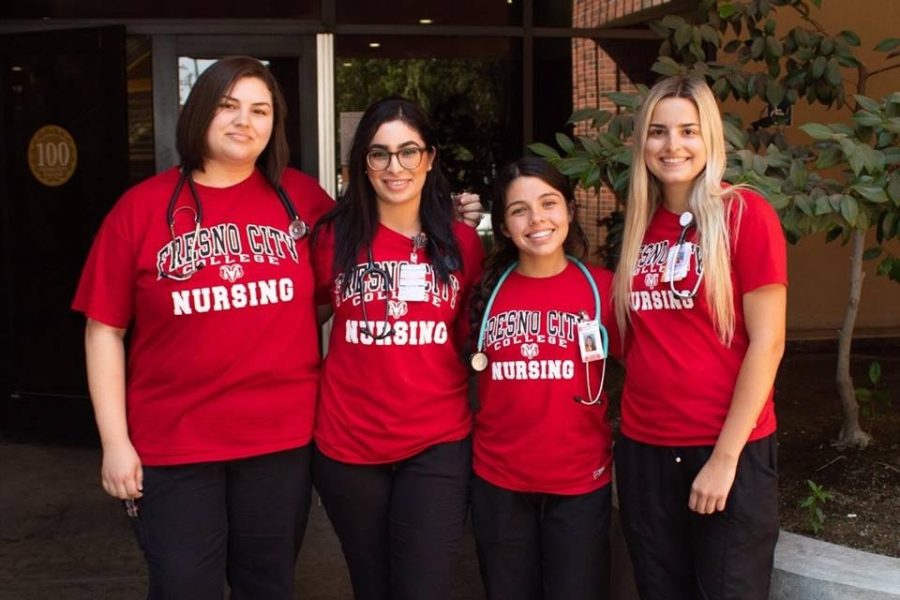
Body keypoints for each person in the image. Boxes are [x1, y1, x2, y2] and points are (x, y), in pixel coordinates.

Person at [72, 56, 336, 598]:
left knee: (268, 584)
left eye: (260, 110)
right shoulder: (140, 209)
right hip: (174, 445)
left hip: (279, 441)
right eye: (228, 105)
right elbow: (104, 330)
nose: (245, 121)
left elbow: (341, 292)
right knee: (182, 586)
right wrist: (114, 442)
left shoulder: (303, 199)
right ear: (199, 114)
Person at [612, 76, 787, 600]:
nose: (672, 146)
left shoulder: (744, 214)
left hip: (725, 449)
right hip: (644, 449)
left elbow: (768, 343)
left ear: (710, 139)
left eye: (689, 130)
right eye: (658, 131)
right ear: (642, 142)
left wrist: (725, 459)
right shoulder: (640, 226)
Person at [310, 97, 484, 600]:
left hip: (436, 443)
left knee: (425, 586)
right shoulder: (332, 238)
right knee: (372, 585)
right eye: (379, 153)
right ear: (361, 163)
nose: (395, 167)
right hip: (347, 446)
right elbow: (297, 321)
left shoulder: (460, 242)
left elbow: (466, 339)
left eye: (409, 152)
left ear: (429, 158)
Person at [468, 156, 615, 600]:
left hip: (580, 483)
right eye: (519, 210)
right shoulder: (484, 291)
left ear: (569, 210)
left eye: (549, 203)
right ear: (504, 225)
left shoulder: (604, 290)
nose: (537, 220)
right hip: (499, 484)